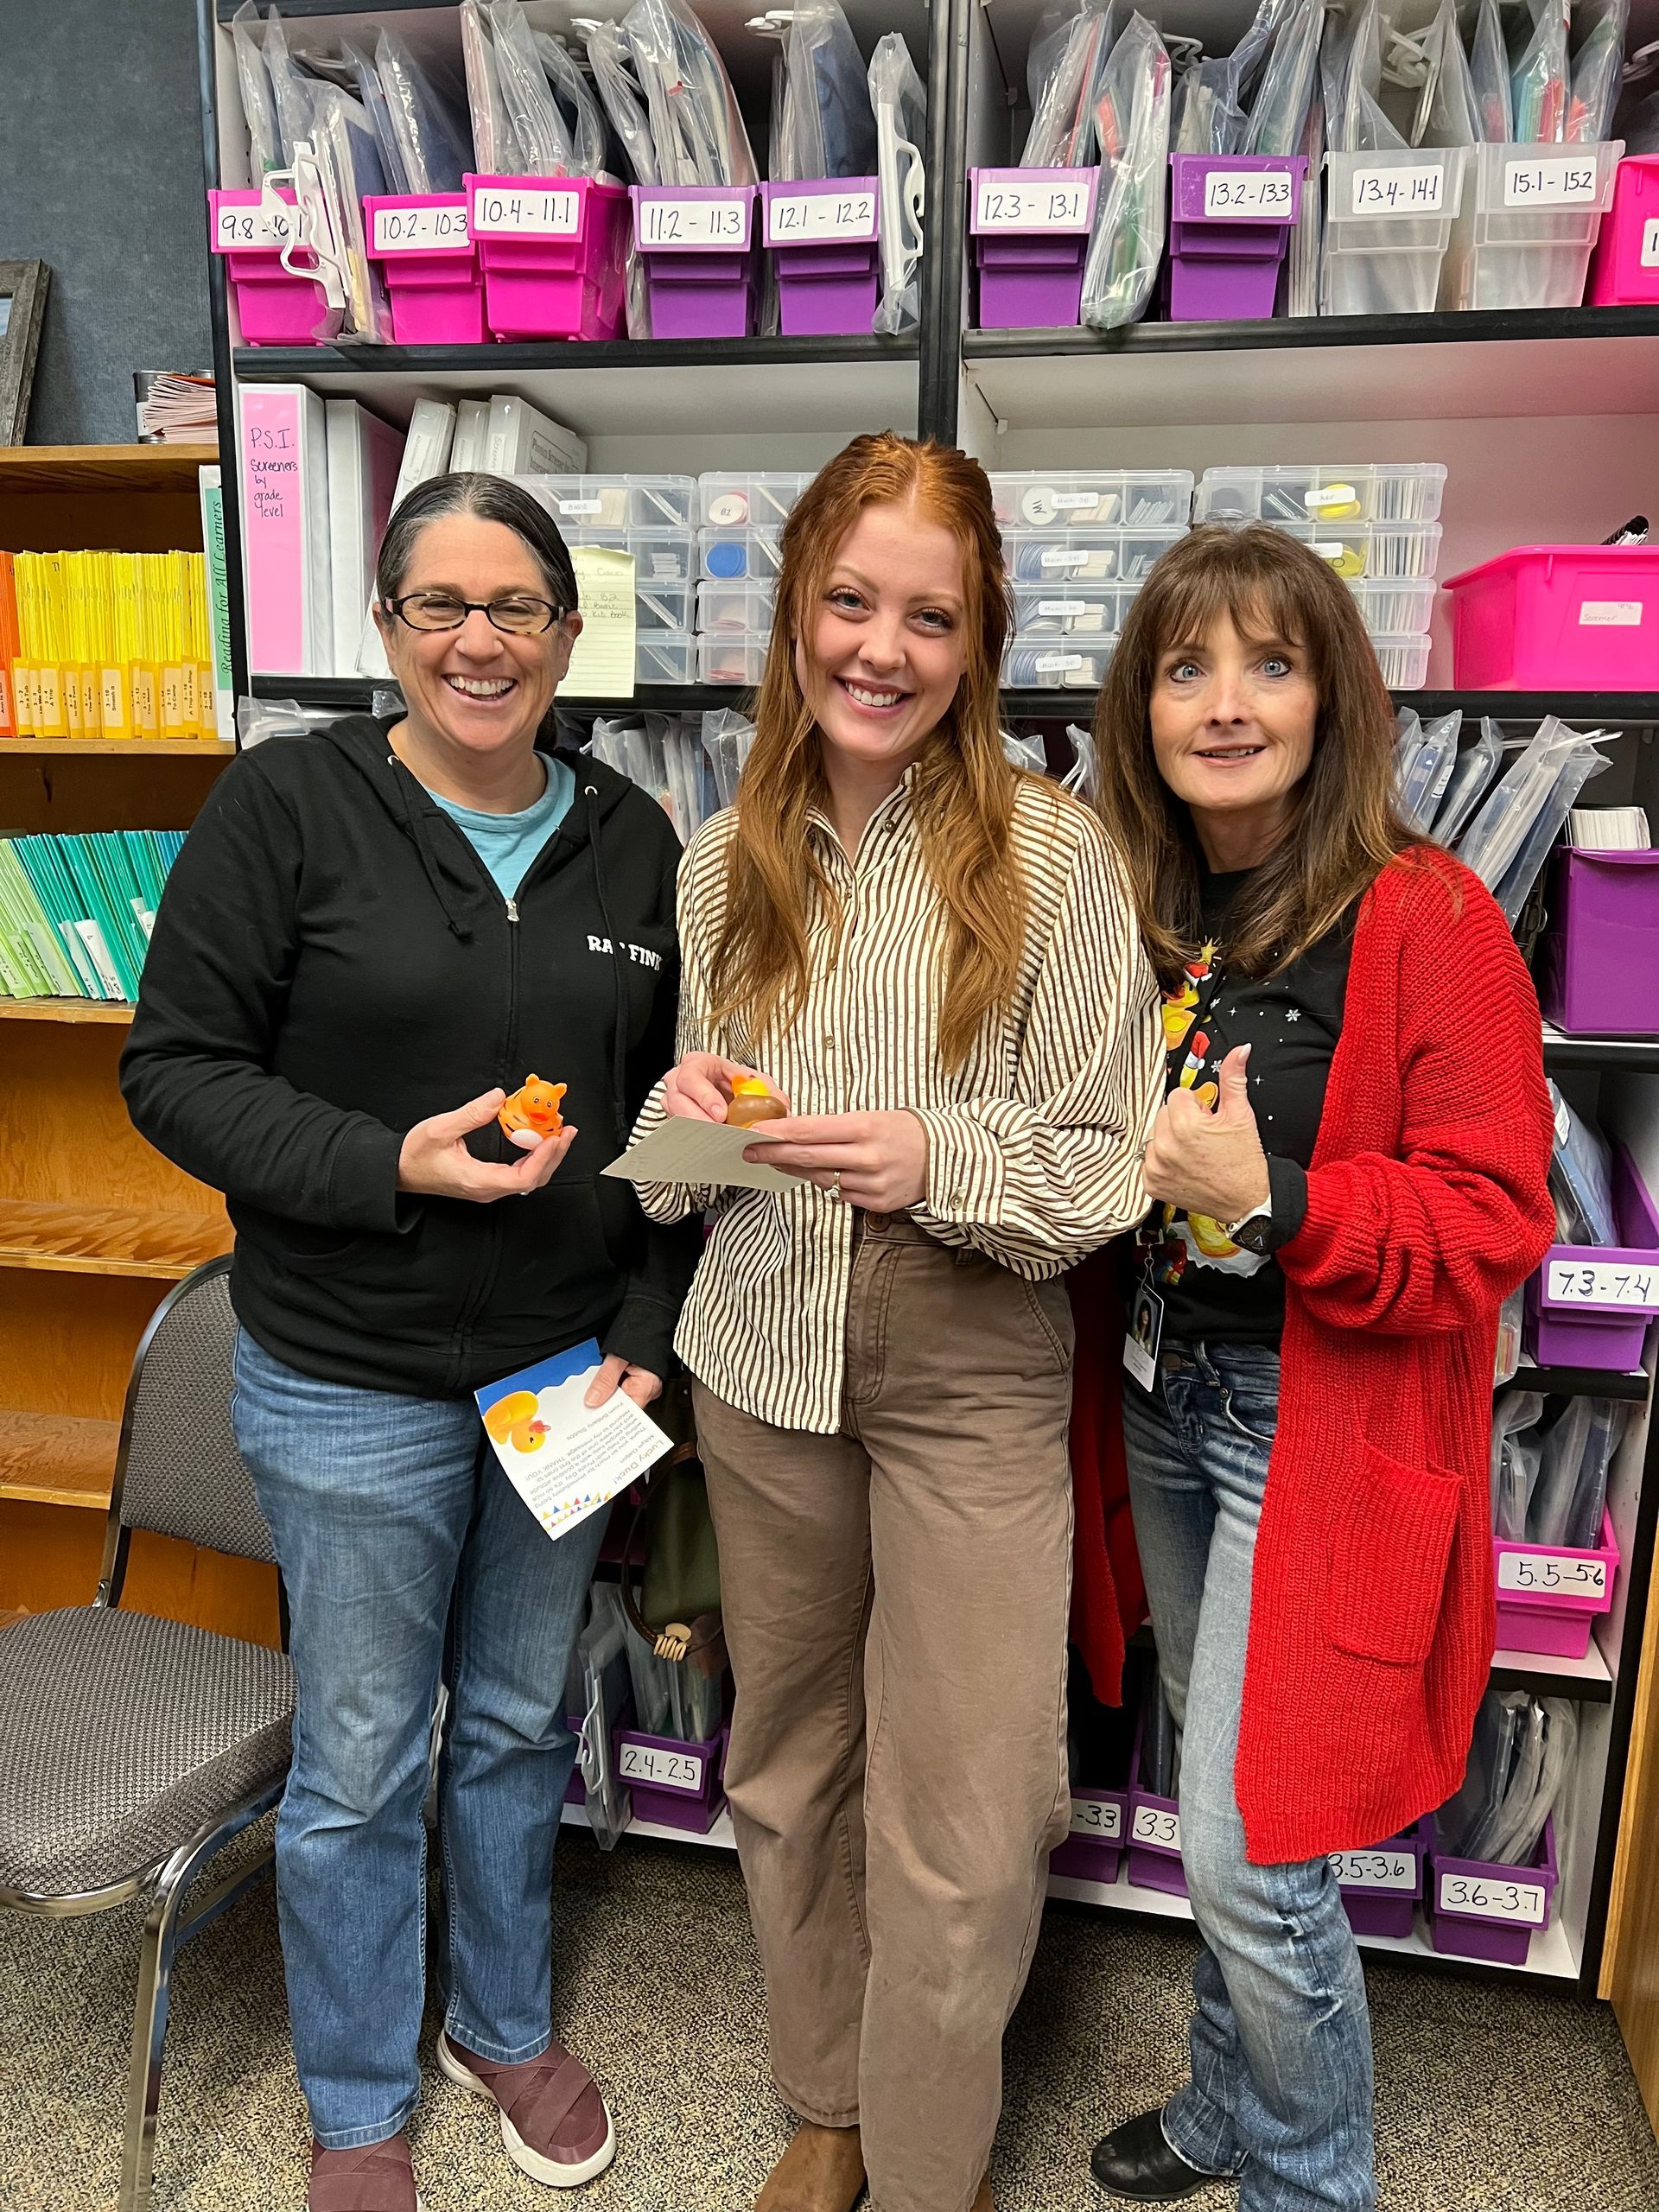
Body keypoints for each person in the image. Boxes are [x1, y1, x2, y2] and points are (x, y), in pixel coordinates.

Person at [121, 474, 698, 2212]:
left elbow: (684, 1129)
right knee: (366, 1750)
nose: (478, 637)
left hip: (561, 1377)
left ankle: (501, 2021)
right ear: (384, 627)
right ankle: (360, 2095)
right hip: (347, 1374)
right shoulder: (284, 805)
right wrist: (387, 1160)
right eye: (439, 602)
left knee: (520, 1721)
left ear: (566, 636)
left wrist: (648, 1338)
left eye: (514, 604)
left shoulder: (640, 838)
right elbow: (175, 1071)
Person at [631, 431, 1164, 2212]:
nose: (880, 646)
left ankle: (927, 2159)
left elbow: (1109, 1164)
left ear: (977, 638)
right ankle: (828, 2098)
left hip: (967, 1358)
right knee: (789, 1764)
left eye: (925, 616)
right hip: (764, 1358)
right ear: (795, 612)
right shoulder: (725, 861)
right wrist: (687, 1113)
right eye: (848, 600)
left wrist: (937, 1150)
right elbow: (686, 1170)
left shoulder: (1056, 855)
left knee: (974, 1806)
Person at [1086, 524, 1555, 2212]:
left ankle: (1307, 2176)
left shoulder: (1428, 916)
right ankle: (1226, 2107)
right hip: (1165, 1394)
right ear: (1138, 702)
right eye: (1186, 665)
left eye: (1268, 663)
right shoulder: (1133, 902)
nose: (1225, 701)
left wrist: (1274, 1197)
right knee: (1225, 1786)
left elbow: (1500, 1216)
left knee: (1255, 1843)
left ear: (1333, 692)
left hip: (1317, 1421)